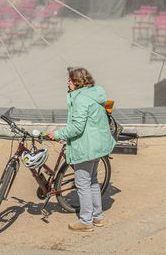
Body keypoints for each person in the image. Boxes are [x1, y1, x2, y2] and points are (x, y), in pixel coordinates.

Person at [45, 67, 115, 232]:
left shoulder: (81, 99)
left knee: (82, 183)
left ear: (76, 82)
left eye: (69, 81)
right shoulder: (94, 94)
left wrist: (57, 134)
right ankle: (98, 217)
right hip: (97, 145)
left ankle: (86, 221)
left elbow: (77, 127)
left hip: (86, 147)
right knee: (92, 181)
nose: (67, 84)